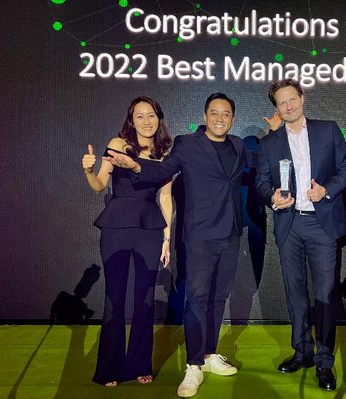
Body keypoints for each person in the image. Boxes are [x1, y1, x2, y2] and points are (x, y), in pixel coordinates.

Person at [104, 93, 245, 398]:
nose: (220, 118)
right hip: (200, 234)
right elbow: (164, 171)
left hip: (231, 233)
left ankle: (209, 354)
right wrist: (137, 166)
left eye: (226, 114)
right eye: (214, 113)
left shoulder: (239, 145)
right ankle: (193, 365)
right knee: (197, 298)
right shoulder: (187, 143)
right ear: (205, 116)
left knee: (219, 297)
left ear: (232, 118)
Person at [255, 79, 346, 391]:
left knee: (325, 295)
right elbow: (260, 183)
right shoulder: (269, 144)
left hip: (321, 224)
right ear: (276, 107)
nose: (288, 106)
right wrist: (273, 196)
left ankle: (325, 361)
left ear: (302, 98)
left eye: (292, 99)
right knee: (295, 292)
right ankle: (302, 352)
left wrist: (326, 190)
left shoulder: (328, 129)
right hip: (289, 223)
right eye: (281, 102)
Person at [82, 96, 173, 387]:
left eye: (151, 115)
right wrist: (87, 170)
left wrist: (167, 239)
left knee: (145, 300)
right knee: (115, 298)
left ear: (159, 118)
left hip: (150, 229)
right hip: (117, 227)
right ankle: (109, 368)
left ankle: (138, 365)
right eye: (140, 116)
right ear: (131, 120)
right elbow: (99, 186)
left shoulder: (164, 153)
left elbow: (166, 198)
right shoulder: (118, 144)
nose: (146, 121)